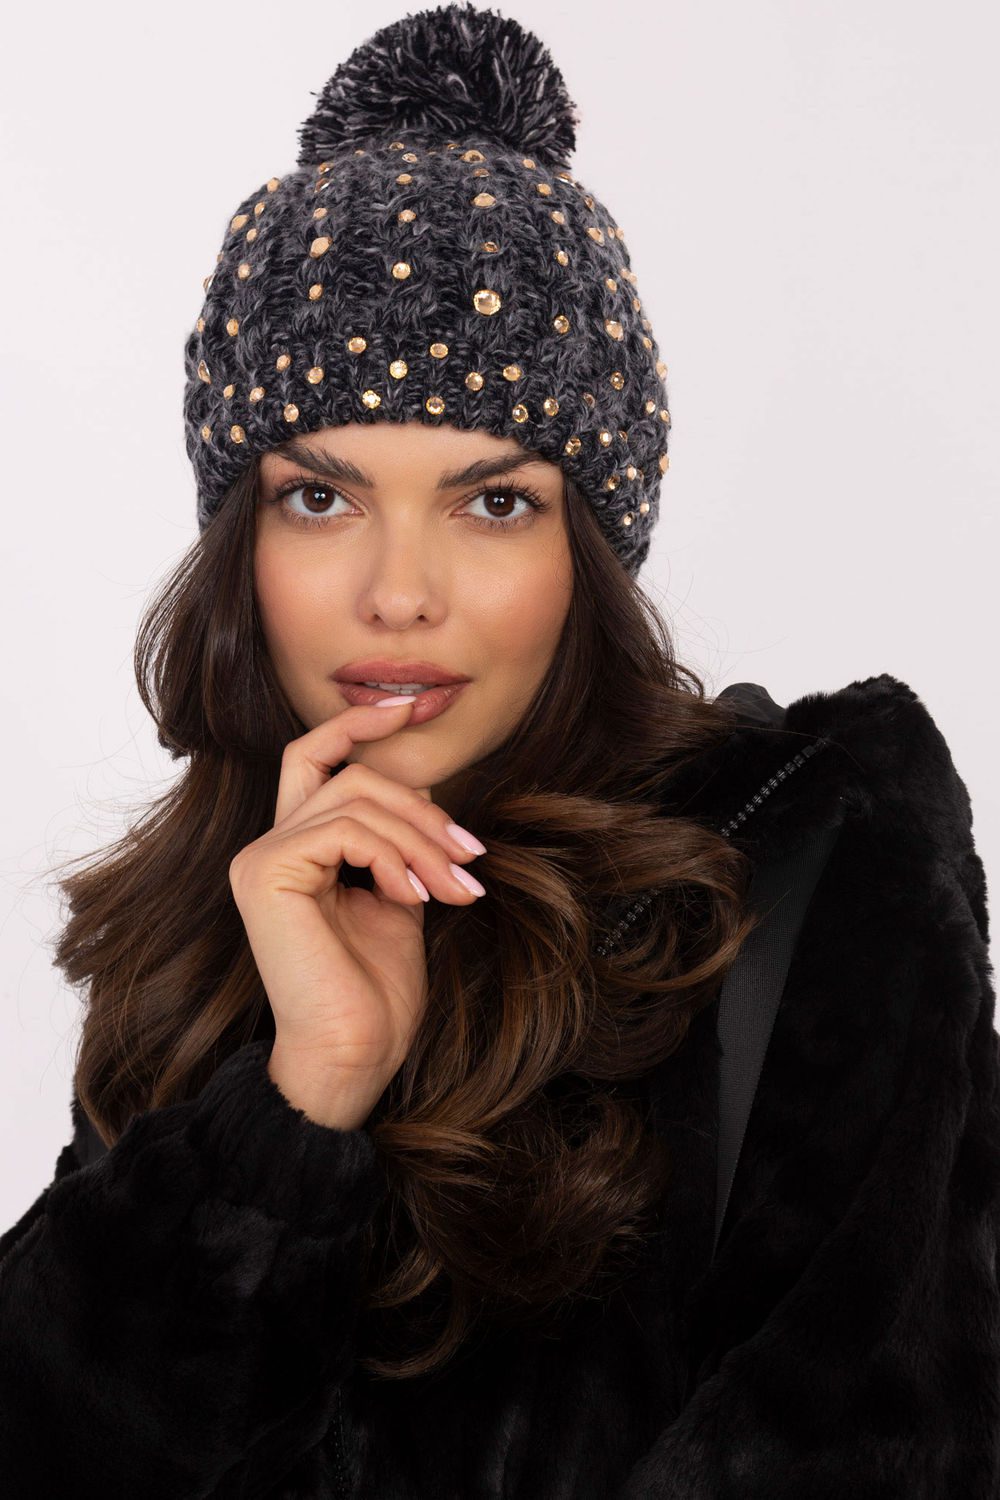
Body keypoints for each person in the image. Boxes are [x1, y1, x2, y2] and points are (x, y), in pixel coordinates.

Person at [2, 4, 998, 1496]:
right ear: (240, 547)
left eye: (494, 502)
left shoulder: (803, 866)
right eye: (320, 498)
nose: (400, 592)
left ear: (586, 549)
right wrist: (299, 1102)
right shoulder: (214, 926)